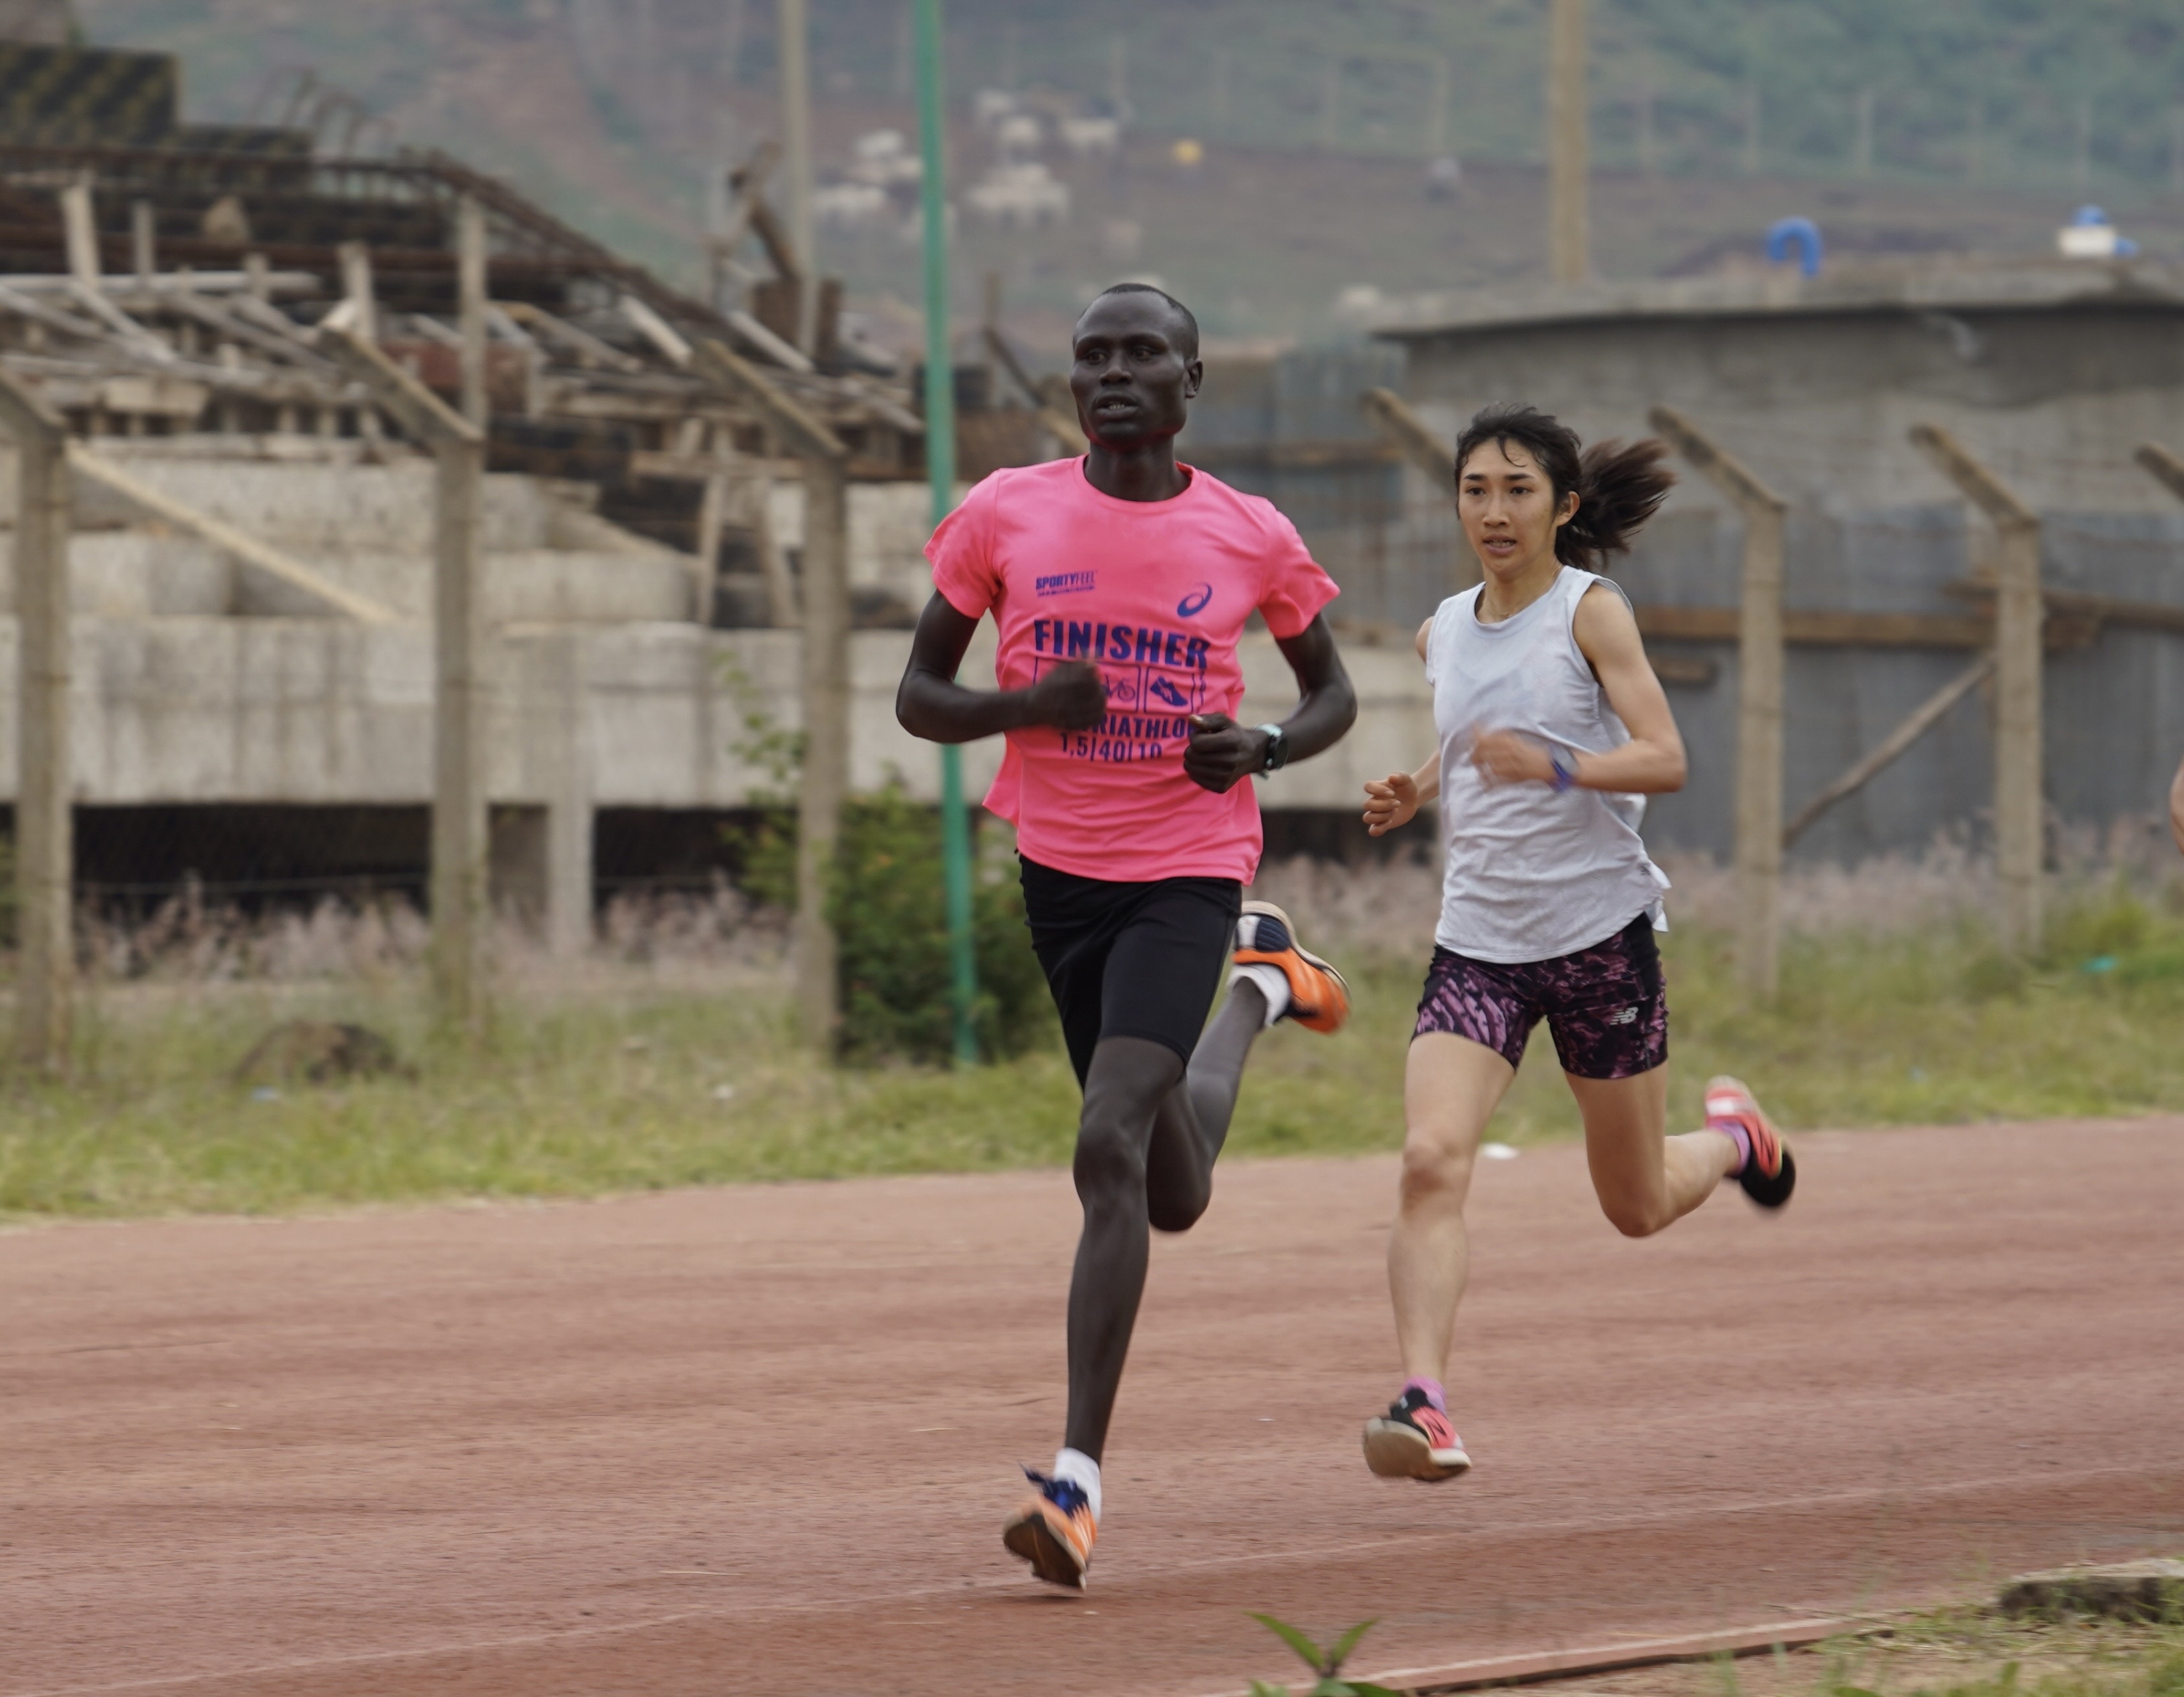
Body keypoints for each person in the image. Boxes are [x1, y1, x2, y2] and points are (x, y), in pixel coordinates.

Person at [896, 282, 1359, 1586]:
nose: (1111, 372)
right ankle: (1265, 992)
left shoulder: (1250, 532)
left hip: (1189, 868)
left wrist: (1263, 743)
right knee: (1172, 1189)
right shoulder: (1007, 511)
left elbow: (1332, 696)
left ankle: (1076, 1486)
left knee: (1106, 1141)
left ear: (1189, 380)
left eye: (1139, 353)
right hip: (1062, 877)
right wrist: (1024, 701)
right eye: (1091, 353)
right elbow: (920, 697)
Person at [1355, 403, 1795, 1485]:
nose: (1494, 512)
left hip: (1599, 941)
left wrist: (1555, 767)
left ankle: (1737, 1140)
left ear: (1564, 506)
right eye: (1475, 490)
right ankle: (1425, 1404)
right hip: (1480, 947)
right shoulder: (1441, 628)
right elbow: (1468, 736)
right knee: (1428, 1160)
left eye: (1516, 491)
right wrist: (1418, 784)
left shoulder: (1591, 615)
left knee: (1636, 1205)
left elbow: (1664, 757)